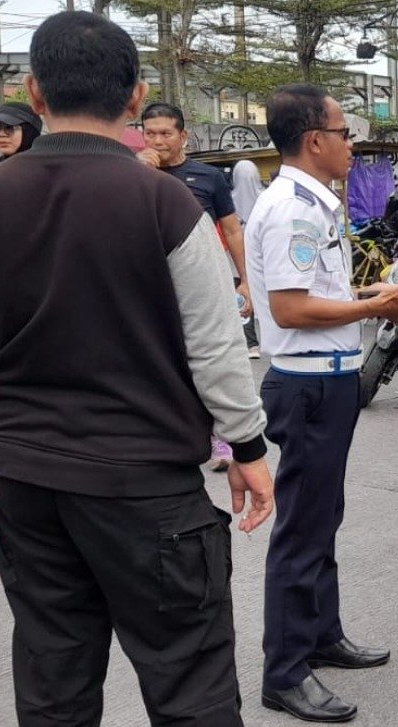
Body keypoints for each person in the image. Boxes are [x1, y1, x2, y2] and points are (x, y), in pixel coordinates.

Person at [0, 11, 275, 727]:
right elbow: (215, 347)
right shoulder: (164, 203)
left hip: (26, 479)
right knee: (189, 686)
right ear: (135, 99)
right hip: (145, 488)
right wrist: (248, 450)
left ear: (33, 93)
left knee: (54, 683)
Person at [247, 83, 398, 723]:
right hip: (310, 382)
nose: (353, 143)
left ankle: (321, 633)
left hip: (330, 375)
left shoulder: (315, 203)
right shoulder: (293, 207)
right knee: (301, 527)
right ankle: (285, 670)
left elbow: (313, 289)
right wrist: (373, 305)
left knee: (322, 516)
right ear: (315, 139)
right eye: (346, 133)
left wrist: (367, 291)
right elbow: (291, 308)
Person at [139, 103, 257, 471]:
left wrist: (246, 281)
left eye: (165, 133)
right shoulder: (130, 173)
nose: (157, 141)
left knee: (211, 353)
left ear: (183, 136)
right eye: (150, 133)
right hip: (150, 280)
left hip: (205, 279)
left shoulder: (208, 177)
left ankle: (221, 437)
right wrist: (139, 174)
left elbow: (233, 229)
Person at [232, 159, 265, 357]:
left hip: (235, 257)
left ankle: (250, 343)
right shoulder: (265, 197)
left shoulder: (228, 199)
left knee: (242, 299)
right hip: (262, 256)